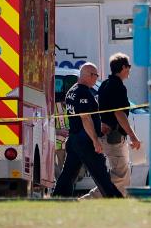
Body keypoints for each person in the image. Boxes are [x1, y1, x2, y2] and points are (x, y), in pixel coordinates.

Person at [53, 63, 124, 198]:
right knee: (100, 173)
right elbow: (85, 118)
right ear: (88, 75)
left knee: (68, 174)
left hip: (74, 139)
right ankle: (115, 199)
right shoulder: (82, 92)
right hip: (85, 139)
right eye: (96, 75)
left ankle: (59, 198)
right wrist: (95, 140)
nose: (96, 79)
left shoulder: (72, 91)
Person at [97, 53, 141, 195]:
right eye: (129, 67)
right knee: (120, 176)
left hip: (107, 134)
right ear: (123, 67)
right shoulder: (118, 87)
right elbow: (119, 113)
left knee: (123, 175)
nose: (129, 71)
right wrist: (133, 137)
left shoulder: (104, 84)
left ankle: (119, 205)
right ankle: (88, 199)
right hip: (114, 137)